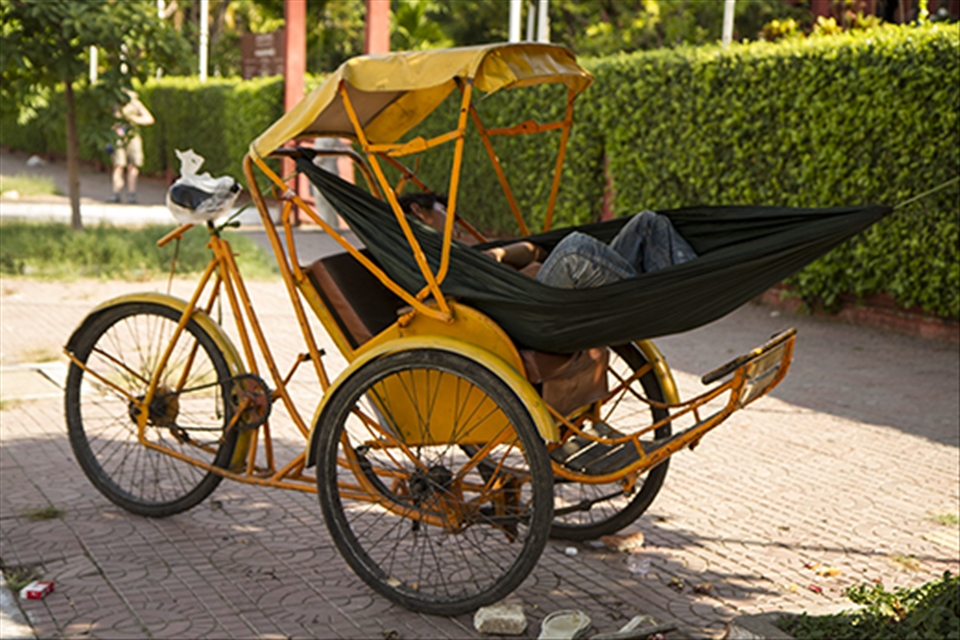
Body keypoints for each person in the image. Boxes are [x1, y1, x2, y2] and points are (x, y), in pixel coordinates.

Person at [397, 192, 697, 288]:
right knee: (574, 247)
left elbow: (535, 250)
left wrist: (498, 255)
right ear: (419, 212)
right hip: (531, 308)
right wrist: (520, 266)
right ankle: (656, 291)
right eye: (444, 211)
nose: (453, 219)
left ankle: (691, 280)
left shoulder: (458, 251)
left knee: (648, 222)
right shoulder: (428, 257)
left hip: (539, 288)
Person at [108, 90, 155, 203]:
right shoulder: (114, 104)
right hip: (118, 137)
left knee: (133, 165)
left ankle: (132, 194)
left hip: (132, 137)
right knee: (118, 165)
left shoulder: (135, 104)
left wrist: (134, 119)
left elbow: (149, 119)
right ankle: (116, 193)